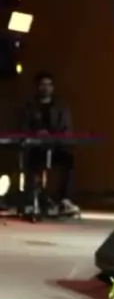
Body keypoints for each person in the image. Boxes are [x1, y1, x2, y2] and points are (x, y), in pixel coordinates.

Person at [19, 71, 79, 215]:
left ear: (52, 87)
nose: (46, 88)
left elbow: (66, 128)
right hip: (35, 148)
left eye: (49, 85)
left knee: (68, 160)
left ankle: (64, 200)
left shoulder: (61, 107)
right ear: (38, 87)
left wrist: (53, 137)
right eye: (43, 84)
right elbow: (23, 127)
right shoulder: (30, 106)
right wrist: (36, 134)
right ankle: (30, 201)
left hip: (56, 147)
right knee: (28, 162)